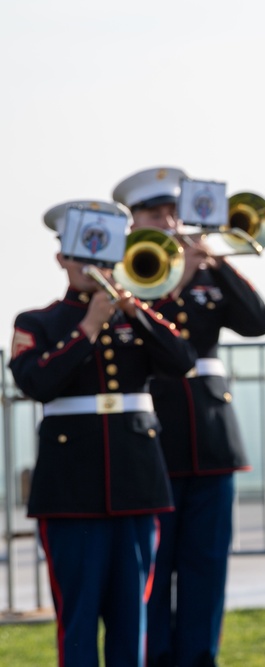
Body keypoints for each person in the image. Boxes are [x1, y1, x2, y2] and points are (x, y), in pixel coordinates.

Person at [9, 200, 196, 666]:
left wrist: (137, 315)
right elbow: (35, 382)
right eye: (83, 258)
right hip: (70, 491)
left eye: (103, 258)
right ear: (61, 260)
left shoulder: (137, 317)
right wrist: (87, 328)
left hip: (136, 485)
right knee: (78, 618)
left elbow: (181, 362)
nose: (94, 269)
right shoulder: (39, 322)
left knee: (132, 618)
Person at [111, 167, 265, 667]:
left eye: (173, 213)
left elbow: (258, 321)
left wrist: (218, 264)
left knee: (206, 565)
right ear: (134, 222)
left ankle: (200, 657)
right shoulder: (125, 274)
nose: (168, 223)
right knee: (155, 566)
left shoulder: (208, 272)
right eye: (155, 215)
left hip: (210, 436)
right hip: (153, 436)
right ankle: (156, 656)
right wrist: (175, 277)